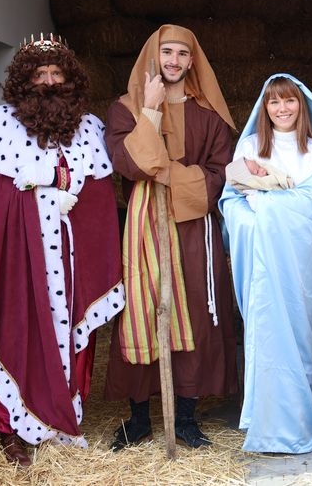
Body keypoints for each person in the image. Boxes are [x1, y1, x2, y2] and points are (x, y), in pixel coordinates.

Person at [0, 34, 125, 467]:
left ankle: (60, 421)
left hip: (70, 262)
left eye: (56, 72)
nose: (48, 82)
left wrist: (66, 193)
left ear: (70, 78)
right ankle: (8, 428)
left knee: (68, 338)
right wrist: (38, 193)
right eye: (39, 74)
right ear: (23, 81)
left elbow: (99, 203)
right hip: (15, 260)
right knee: (13, 331)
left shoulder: (89, 129)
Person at [103, 24, 239, 450]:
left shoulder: (209, 115)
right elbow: (127, 163)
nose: (174, 61)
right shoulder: (125, 108)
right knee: (142, 311)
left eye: (182, 53)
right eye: (167, 52)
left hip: (193, 227)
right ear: (154, 56)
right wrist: (150, 110)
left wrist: (166, 174)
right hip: (144, 227)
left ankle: (184, 418)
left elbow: (220, 174)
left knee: (195, 311)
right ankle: (139, 418)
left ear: (192, 61)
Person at [219, 74, 312, 453]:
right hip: (260, 257)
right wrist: (256, 212)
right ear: (264, 107)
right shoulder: (250, 146)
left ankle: (299, 424)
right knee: (264, 332)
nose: (282, 109)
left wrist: (264, 203)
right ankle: (264, 423)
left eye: (289, 101)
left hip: (299, 259)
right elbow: (231, 203)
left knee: (297, 335)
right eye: (274, 102)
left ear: (302, 106)